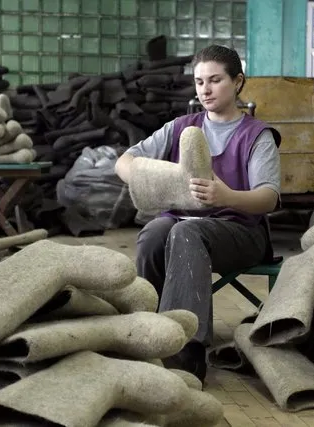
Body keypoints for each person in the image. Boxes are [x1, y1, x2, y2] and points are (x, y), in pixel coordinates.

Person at [115, 44, 281, 383]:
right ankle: (147, 331)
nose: (205, 89)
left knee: (185, 233)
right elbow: (124, 161)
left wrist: (227, 196)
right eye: (199, 81)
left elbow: (268, 199)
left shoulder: (257, 135)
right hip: (183, 222)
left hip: (239, 232)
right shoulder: (180, 127)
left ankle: (187, 350)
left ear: (237, 82)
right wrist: (156, 180)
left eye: (215, 80)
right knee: (154, 233)